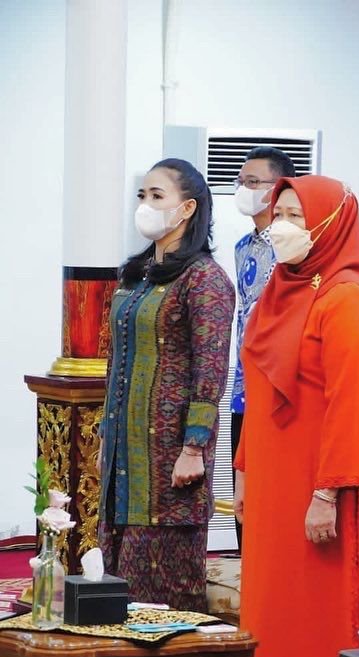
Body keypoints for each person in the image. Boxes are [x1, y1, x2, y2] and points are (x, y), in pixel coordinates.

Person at [234, 176, 359, 657]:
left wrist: (326, 493)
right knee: (269, 608)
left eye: (297, 216)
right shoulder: (278, 292)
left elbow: (348, 406)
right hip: (274, 480)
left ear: (330, 224)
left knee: (315, 612)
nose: (282, 226)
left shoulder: (346, 299)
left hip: (321, 485)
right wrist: (244, 470)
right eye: (279, 214)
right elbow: (256, 390)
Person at [98, 158, 234, 617]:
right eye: (143, 195)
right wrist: (108, 436)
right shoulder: (135, 275)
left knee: (160, 588)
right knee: (114, 578)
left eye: (157, 196)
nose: (146, 204)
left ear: (187, 208)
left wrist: (194, 446)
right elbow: (116, 359)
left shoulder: (204, 279)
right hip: (124, 454)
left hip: (171, 457)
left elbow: (211, 369)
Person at [231, 146, 296, 550]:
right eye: (241, 181)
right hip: (243, 386)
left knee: (275, 498)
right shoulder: (242, 247)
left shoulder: (294, 247)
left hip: (279, 386)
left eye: (253, 182)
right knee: (243, 494)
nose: (244, 189)